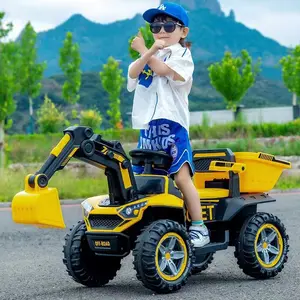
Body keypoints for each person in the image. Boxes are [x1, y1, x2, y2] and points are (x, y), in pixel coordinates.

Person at [127, 2, 210, 248]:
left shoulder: (182, 55)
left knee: (182, 178)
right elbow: (133, 73)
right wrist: (146, 52)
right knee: (141, 179)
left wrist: (147, 49)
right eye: (155, 26)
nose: (161, 30)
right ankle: (146, 224)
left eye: (169, 25)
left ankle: (199, 227)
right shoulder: (150, 55)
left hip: (173, 128)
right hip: (148, 129)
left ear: (183, 31)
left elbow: (163, 70)